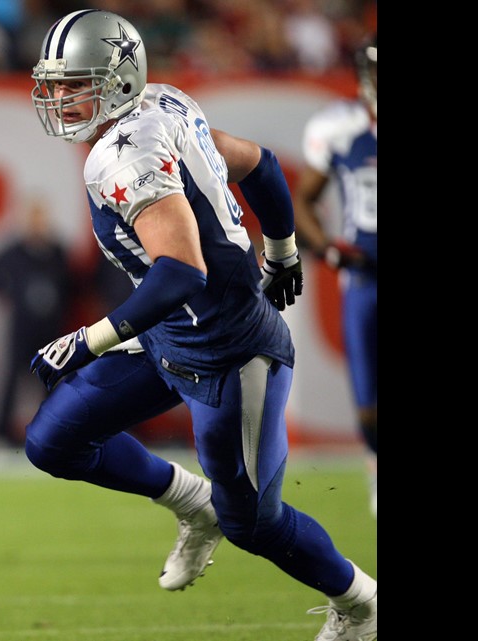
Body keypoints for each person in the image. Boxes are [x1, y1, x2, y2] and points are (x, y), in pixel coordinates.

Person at [24, 10, 376, 641]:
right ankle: (193, 505)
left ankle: (362, 604)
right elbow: (262, 165)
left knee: (254, 524)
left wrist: (89, 339)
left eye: (76, 82)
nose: (59, 97)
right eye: (56, 82)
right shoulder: (163, 107)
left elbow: (182, 272)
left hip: (226, 352)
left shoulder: (117, 157)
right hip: (169, 334)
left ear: (119, 80)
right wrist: (283, 250)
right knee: (54, 441)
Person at [291, 34, 377, 519]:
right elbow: (305, 199)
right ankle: (375, 459)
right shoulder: (341, 128)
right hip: (366, 276)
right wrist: (326, 247)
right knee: (368, 408)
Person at [0, 199, 72, 446]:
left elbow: (71, 284)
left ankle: (53, 430)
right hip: (22, 328)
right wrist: (6, 291)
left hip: (52, 330)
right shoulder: (14, 252)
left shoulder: (57, 251)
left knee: (52, 382)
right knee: (11, 380)